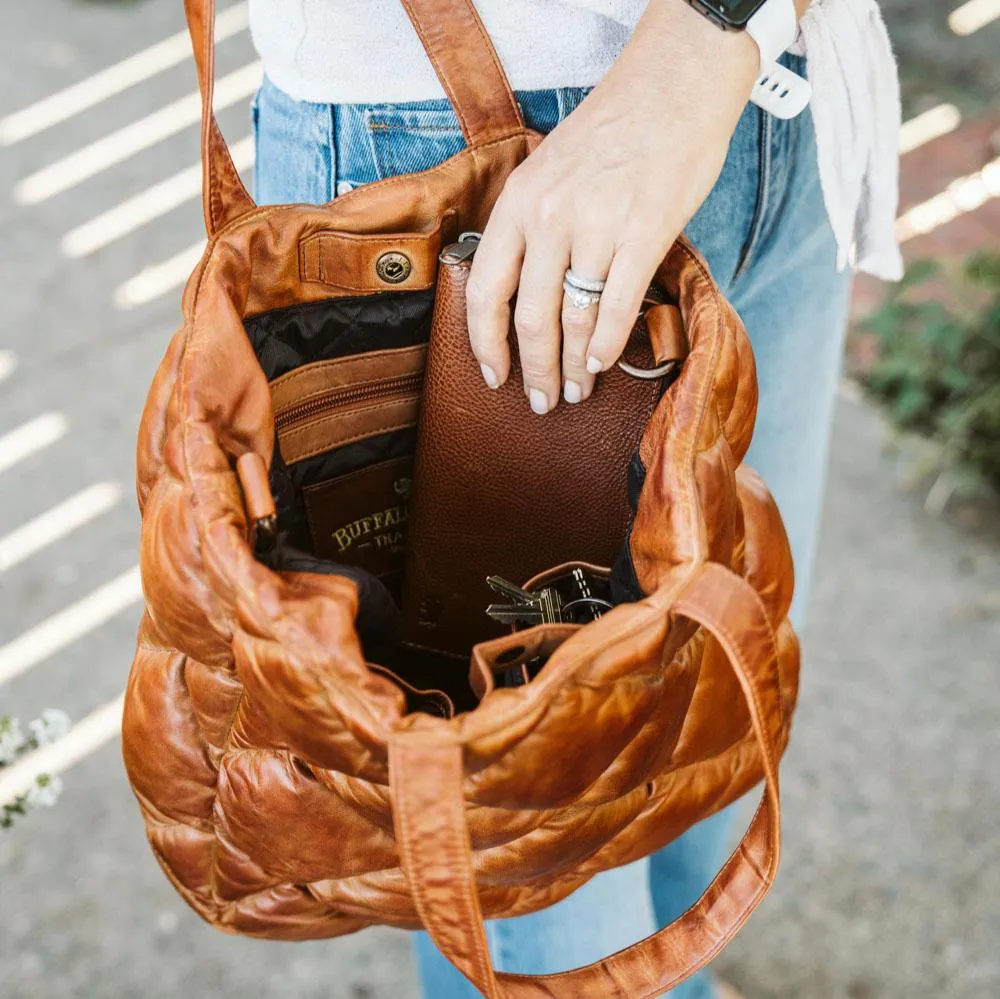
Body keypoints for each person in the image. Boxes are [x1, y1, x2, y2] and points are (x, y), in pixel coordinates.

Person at [247, 0, 902, 995]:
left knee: (724, 704)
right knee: (548, 858)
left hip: (775, 84)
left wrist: (706, 50)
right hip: (476, 133)